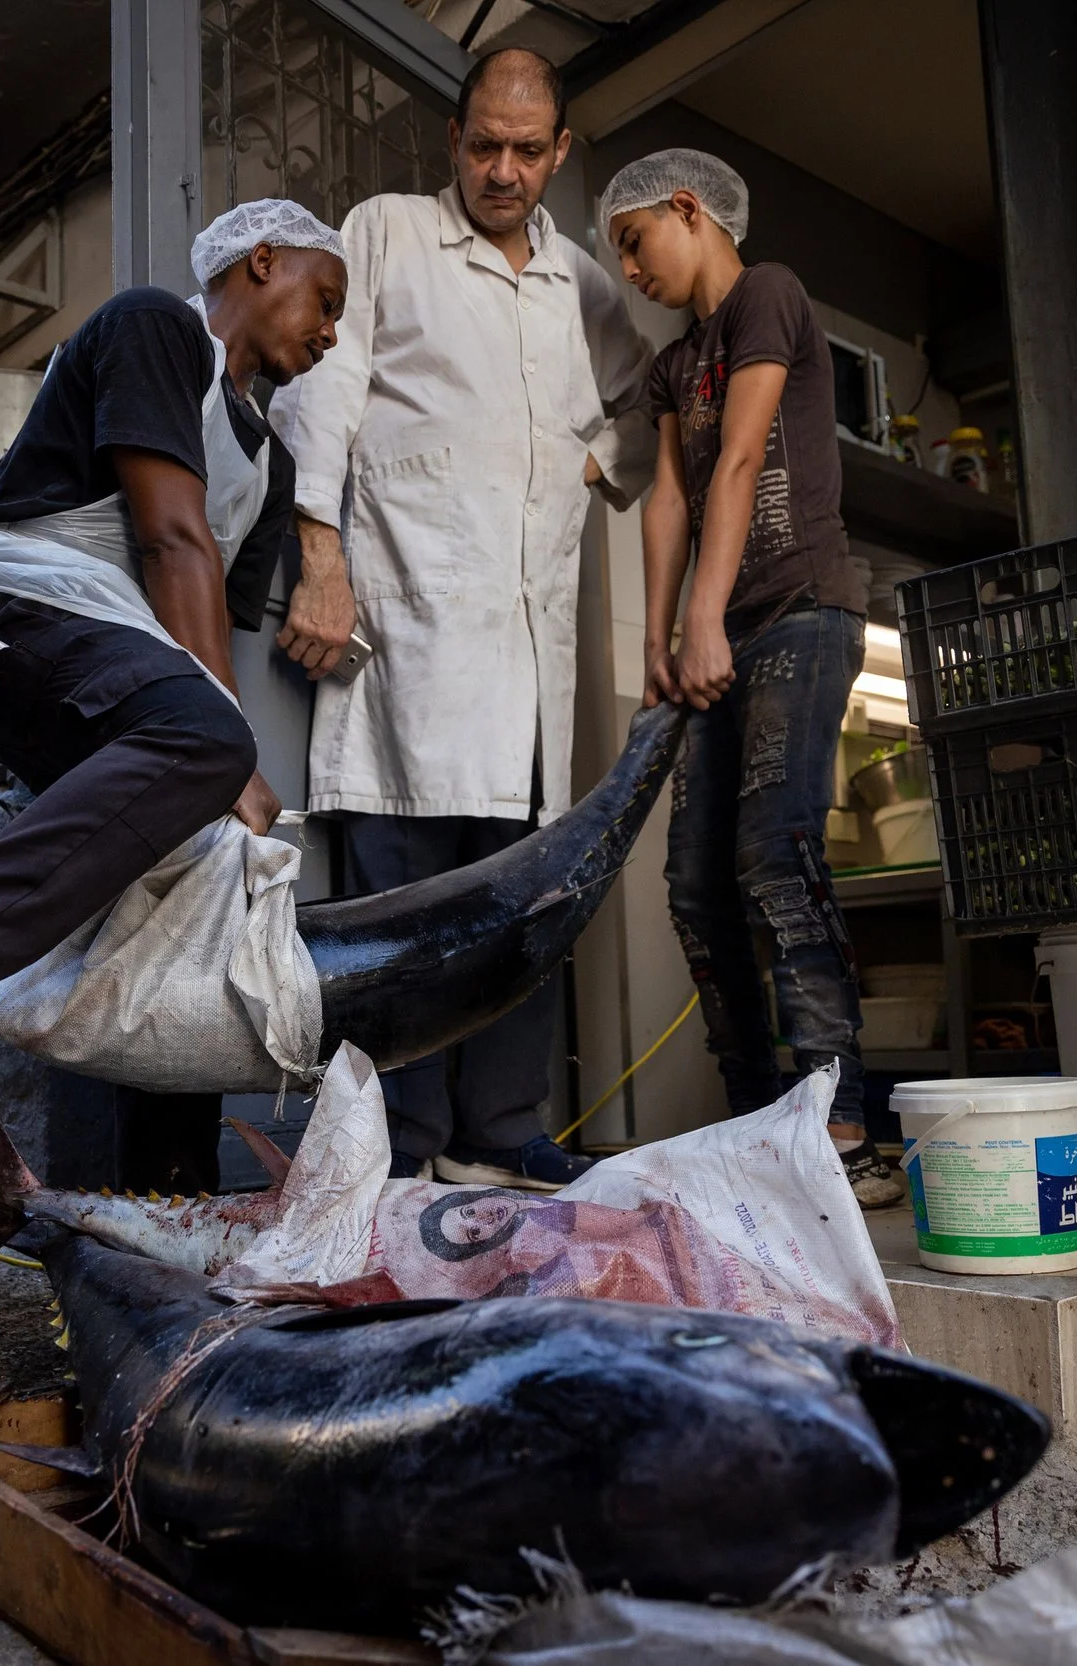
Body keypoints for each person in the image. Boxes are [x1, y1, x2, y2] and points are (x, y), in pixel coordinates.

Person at [0, 201, 348, 1133]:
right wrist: (228, 749)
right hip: (12, 611)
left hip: (116, 655)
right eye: (323, 299)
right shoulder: (153, 325)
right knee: (205, 743)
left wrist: (218, 761)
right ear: (260, 263)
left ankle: (165, 1197)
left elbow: (207, 607)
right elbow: (174, 544)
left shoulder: (271, 466)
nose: (332, 331)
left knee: (177, 864)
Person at [268, 48, 658, 1192]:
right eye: (482, 144)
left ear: (559, 153)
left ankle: (502, 1128)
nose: (501, 169)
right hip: (405, 634)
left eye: (525, 150)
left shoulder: (582, 282)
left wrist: (595, 466)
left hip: (525, 648)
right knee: (404, 907)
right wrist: (319, 556)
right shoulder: (386, 230)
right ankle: (405, 1145)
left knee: (521, 899)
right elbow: (322, 392)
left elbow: (644, 409)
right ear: (452, 141)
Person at [603, 149, 903, 1209]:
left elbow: (739, 460)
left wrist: (700, 618)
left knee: (773, 856)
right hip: (716, 636)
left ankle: (841, 1124)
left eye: (634, 242)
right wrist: (657, 641)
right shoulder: (670, 367)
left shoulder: (766, 295)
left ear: (689, 209)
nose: (630, 270)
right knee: (693, 884)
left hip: (799, 613)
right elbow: (670, 502)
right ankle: (749, 1124)